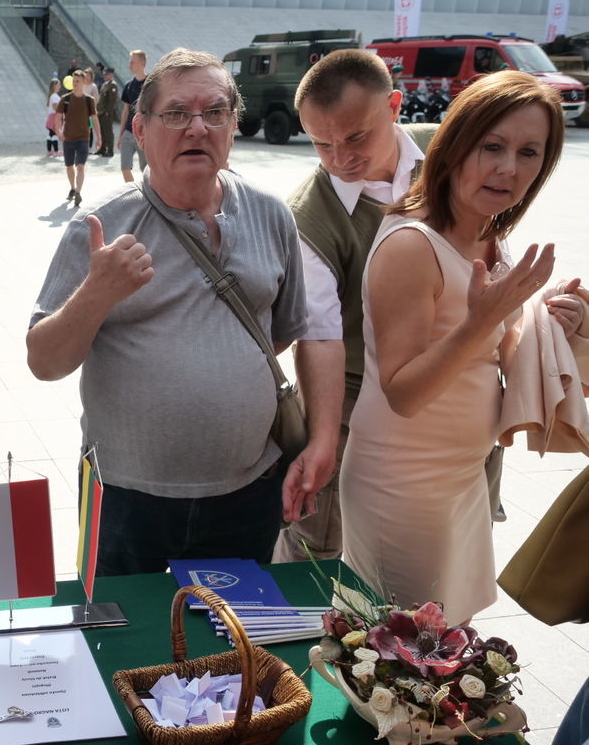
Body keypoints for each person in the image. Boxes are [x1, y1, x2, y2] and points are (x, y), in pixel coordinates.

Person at [28, 48, 313, 575]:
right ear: (140, 127)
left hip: (250, 490)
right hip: (128, 499)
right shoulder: (100, 227)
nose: (197, 128)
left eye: (215, 113)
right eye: (177, 114)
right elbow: (44, 362)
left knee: (236, 648)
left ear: (233, 124)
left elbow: (282, 335)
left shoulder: (271, 215)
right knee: (124, 647)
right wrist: (97, 293)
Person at [339, 71, 582, 626]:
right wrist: (485, 318)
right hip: (401, 485)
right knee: (399, 659)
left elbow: (500, 344)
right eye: (491, 146)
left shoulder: (486, 232)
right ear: (454, 144)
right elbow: (402, 391)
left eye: (528, 153)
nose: (508, 168)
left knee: (443, 650)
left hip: (464, 476)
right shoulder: (410, 243)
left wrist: (553, 319)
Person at [275, 49, 437, 563]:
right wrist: (323, 440)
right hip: (351, 401)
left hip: (446, 393)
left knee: (432, 552)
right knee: (316, 553)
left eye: (355, 137)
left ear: (394, 105)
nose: (340, 158)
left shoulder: (450, 153)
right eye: (321, 144)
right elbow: (317, 330)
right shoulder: (309, 216)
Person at [58, 70, 101, 207]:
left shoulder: (89, 100)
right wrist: (59, 131)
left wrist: (99, 137)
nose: (75, 84)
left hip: (83, 138)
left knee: (80, 167)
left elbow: (94, 119)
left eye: (77, 81)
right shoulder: (65, 99)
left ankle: (78, 192)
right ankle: (72, 187)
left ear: (83, 82)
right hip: (68, 138)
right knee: (69, 167)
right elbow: (58, 116)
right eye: (73, 81)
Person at [119, 50, 149, 183]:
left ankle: (148, 197)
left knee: (147, 169)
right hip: (128, 133)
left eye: (132, 62)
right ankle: (134, 193)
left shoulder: (151, 84)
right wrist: (120, 135)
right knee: (125, 168)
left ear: (142, 63)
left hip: (145, 134)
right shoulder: (128, 86)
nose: (129, 65)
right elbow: (125, 111)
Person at [97, 66, 119, 157]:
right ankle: (102, 148)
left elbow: (112, 101)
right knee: (102, 130)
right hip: (101, 112)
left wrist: (107, 112)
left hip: (107, 113)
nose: (104, 75)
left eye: (106, 74)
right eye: (104, 74)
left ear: (111, 74)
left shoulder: (113, 85)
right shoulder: (105, 84)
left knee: (108, 131)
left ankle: (110, 150)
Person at [46, 77, 62, 157]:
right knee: (55, 133)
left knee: (50, 134)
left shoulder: (51, 95)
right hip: (54, 116)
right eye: (58, 84)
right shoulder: (55, 96)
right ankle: (56, 150)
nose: (60, 86)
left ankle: (49, 150)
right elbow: (55, 106)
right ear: (54, 86)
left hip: (51, 116)